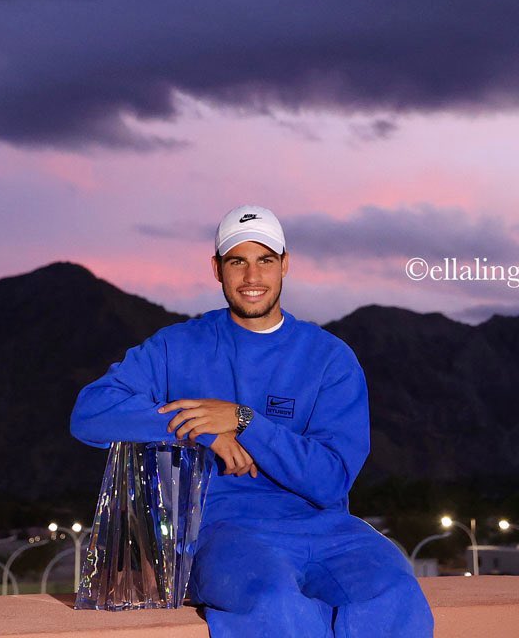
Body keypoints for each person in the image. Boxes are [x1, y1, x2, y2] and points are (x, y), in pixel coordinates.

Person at [70, 205, 434, 637]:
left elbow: (330, 480)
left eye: (265, 260)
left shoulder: (329, 357)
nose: (251, 277)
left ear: (285, 265)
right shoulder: (176, 347)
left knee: (393, 593)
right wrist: (203, 428)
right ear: (217, 269)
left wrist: (244, 421)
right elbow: (90, 413)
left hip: (328, 530)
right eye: (236, 261)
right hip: (224, 532)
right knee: (275, 604)